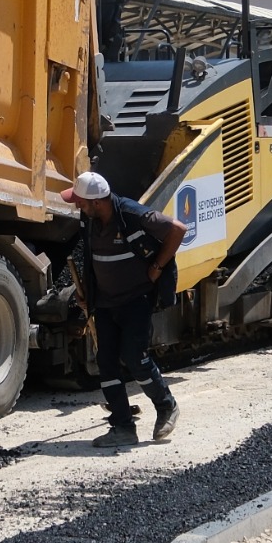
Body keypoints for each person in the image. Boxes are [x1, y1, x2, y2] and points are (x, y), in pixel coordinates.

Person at [63, 170, 186, 445]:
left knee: (135, 357)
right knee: (106, 363)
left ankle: (166, 405)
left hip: (136, 300)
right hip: (105, 303)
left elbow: (178, 230)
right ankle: (123, 427)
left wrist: (156, 267)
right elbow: (91, 257)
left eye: (81, 201)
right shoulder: (89, 219)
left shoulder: (132, 215)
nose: (76, 206)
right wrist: (87, 292)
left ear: (97, 202)